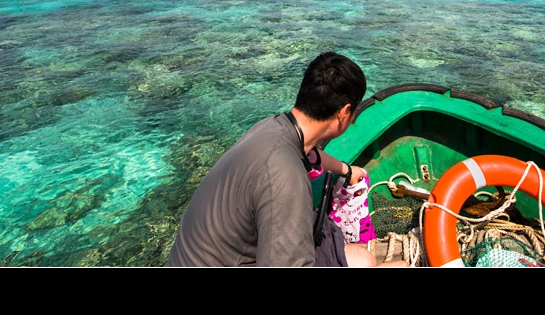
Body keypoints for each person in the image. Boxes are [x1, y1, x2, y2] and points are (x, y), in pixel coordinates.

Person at [166, 51, 408, 267]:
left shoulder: (272, 128)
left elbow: (310, 154)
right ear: (344, 113)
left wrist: (346, 170)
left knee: (363, 259)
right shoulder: (285, 178)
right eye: (353, 112)